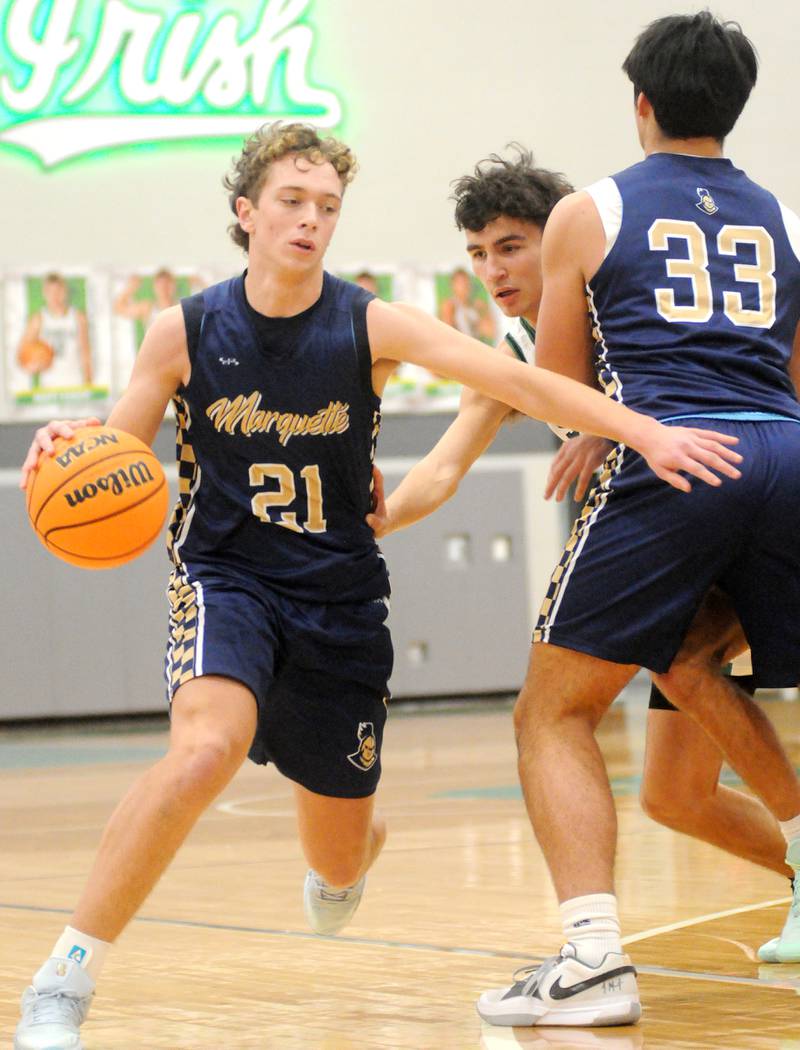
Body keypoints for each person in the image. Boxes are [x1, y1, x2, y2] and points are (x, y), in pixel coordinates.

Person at [13, 121, 741, 1050]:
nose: (310, 220)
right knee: (204, 750)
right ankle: (63, 982)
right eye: (291, 201)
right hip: (227, 578)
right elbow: (113, 456)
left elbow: (520, 382)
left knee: (339, 859)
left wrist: (643, 430)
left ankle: (353, 855)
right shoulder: (183, 330)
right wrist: (65, 446)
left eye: (327, 206)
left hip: (340, 602)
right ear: (246, 212)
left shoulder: (368, 324)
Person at [369, 143, 798, 967]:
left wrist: (610, 431)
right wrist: (368, 526)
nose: (493, 269)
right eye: (477, 253)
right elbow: (444, 469)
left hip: (737, 501)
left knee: (672, 667)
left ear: (561, 237)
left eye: (510, 246)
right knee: (676, 796)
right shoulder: (510, 354)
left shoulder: (637, 301)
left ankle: (602, 948)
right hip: (688, 532)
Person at [469, 12, 800, 1029]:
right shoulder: (784, 216)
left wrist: (604, 433)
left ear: (641, 103)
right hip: (785, 458)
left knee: (552, 713)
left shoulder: (590, 211)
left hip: (676, 458)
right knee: (690, 662)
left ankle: (590, 961)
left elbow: (562, 385)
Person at [17, 273, 92, 387]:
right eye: (50, 292)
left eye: (58, 291)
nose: (55, 296)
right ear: (44, 294)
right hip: (49, 384)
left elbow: (85, 352)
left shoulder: (78, 317)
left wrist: (88, 382)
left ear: (65, 291)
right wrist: (32, 365)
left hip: (76, 381)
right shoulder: (38, 319)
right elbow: (22, 352)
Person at [438, 266, 496, 343]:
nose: (464, 286)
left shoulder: (477, 305)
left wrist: (484, 311)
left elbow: (491, 332)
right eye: (460, 283)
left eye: (466, 282)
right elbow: (446, 334)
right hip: (459, 346)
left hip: (476, 346)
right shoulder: (449, 305)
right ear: (452, 285)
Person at [113, 268, 179, 329]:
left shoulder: (181, 308)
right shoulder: (148, 308)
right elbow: (119, 308)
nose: (164, 288)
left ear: (174, 286)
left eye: (167, 284)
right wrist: (130, 288)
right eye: (161, 285)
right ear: (155, 287)